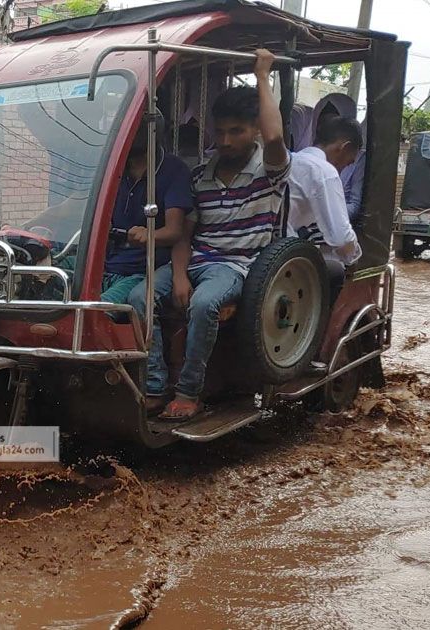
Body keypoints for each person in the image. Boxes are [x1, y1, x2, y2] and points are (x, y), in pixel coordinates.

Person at [128, 49, 291, 421]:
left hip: (236, 267)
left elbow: (276, 135)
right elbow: (186, 234)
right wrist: (180, 275)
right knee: (140, 297)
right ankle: (154, 385)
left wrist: (263, 75)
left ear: (253, 132)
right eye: (220, 131)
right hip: (196, 259)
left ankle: (189, 391)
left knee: (204, 304)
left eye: (237, 131)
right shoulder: (201, 174)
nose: (227, 140)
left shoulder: (270, 171)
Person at [99, 130, 193, 303]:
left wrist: (148, 235)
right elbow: (74, 205)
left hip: (140, 271)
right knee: (43, 276)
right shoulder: (112, 165)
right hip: (102, 263)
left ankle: (149, 331)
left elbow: (175, 231)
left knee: (96, 311)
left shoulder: (173, 170)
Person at [287, 116, 363, 274]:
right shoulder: (324, 172)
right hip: (284, 254)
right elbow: (341, 237)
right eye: (349, 162)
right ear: (345, 147)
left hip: (269, 247)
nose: (345, 168)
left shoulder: (292, 159)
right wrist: (355, 257)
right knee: (336, 271)